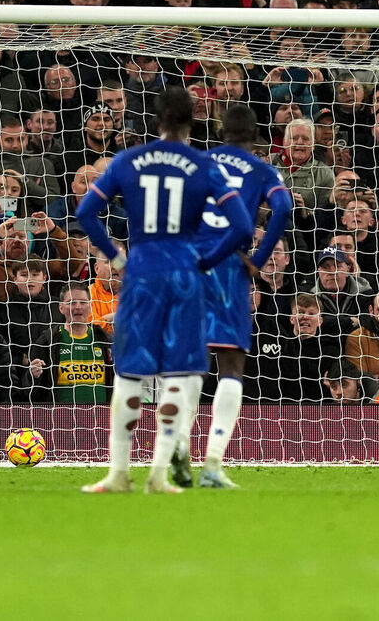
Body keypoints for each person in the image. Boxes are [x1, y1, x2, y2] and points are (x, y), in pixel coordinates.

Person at [74, 86, 253, 494]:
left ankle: (118, 473)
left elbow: (86, 211)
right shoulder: (203, 165)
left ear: (157, 120)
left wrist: (116, 257)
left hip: (141, 271)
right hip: (185, 273)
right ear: (193, 121)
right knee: (179, 373)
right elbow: (242, 226)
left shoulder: (129, 160)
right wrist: (205, 261)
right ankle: (158, 473)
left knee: (129, 373)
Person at [171, 104, 293, 490]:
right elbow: (284, 206)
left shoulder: (197, 163)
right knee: (230, 364)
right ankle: (212, 465)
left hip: (189, 263)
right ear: (255, 137)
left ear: (221, 133)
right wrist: (258, 259)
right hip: (228, 267)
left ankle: (178, 449)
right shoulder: (260, 169)